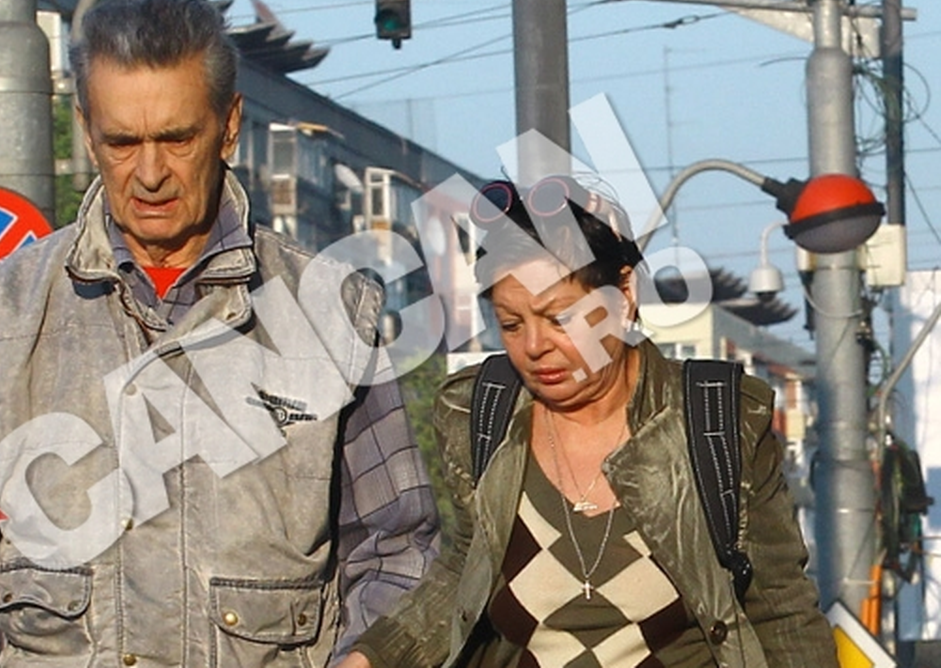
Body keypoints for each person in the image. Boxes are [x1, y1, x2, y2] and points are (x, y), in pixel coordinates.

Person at [0, 0, 439, 667]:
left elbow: (398, 550)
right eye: (122, 142)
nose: (149, 174)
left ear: (228, 127)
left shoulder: (329, 317)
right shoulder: (9, 314)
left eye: (177, 139)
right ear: (87, 132)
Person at [342, 176, 837, 668]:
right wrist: (371, 658)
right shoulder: (480, 415)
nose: (534, 346)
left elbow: (782, 609)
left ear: (624, 293)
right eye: (511, 324)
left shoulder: (715, 422)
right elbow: (465, 570)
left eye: (560, 318)